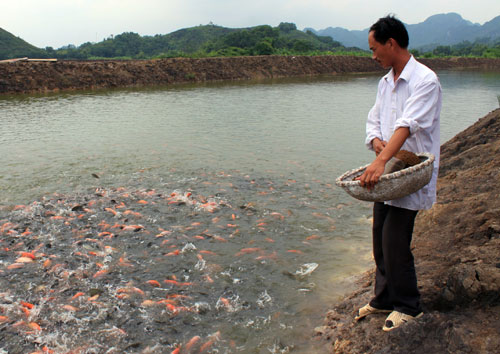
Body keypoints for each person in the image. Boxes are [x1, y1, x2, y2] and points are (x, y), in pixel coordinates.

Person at [355, 15, 442, 331]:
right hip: (391, 171)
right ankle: (383, 299)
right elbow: (374, 120)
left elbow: (407, 125)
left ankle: (409, 306)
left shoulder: (425, 80)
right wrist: (376, 142)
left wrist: (379, 162)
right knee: (379, 235)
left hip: (411, 171)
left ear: (391, 44)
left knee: (395, 240)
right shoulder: (385, 83)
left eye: (374, 48)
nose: (373, 55)